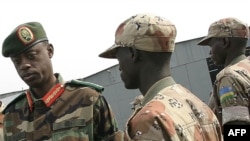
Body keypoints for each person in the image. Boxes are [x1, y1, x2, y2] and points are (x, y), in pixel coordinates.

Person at [99, 13, 223, 141]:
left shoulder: (150, 119)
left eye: (118, 56)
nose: (119, 66)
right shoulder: (197, 104)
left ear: (133, 53)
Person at [1, 22, 123, 141]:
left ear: (50, 51)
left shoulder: (88, 99)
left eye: (31, 56)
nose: (24, 65)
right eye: (17, 61)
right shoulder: (12, 115)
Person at [197, 17, 250, 127]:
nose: (210, 52)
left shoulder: (229, 77)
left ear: (225, 42)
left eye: (211, 45)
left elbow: (237, 130)